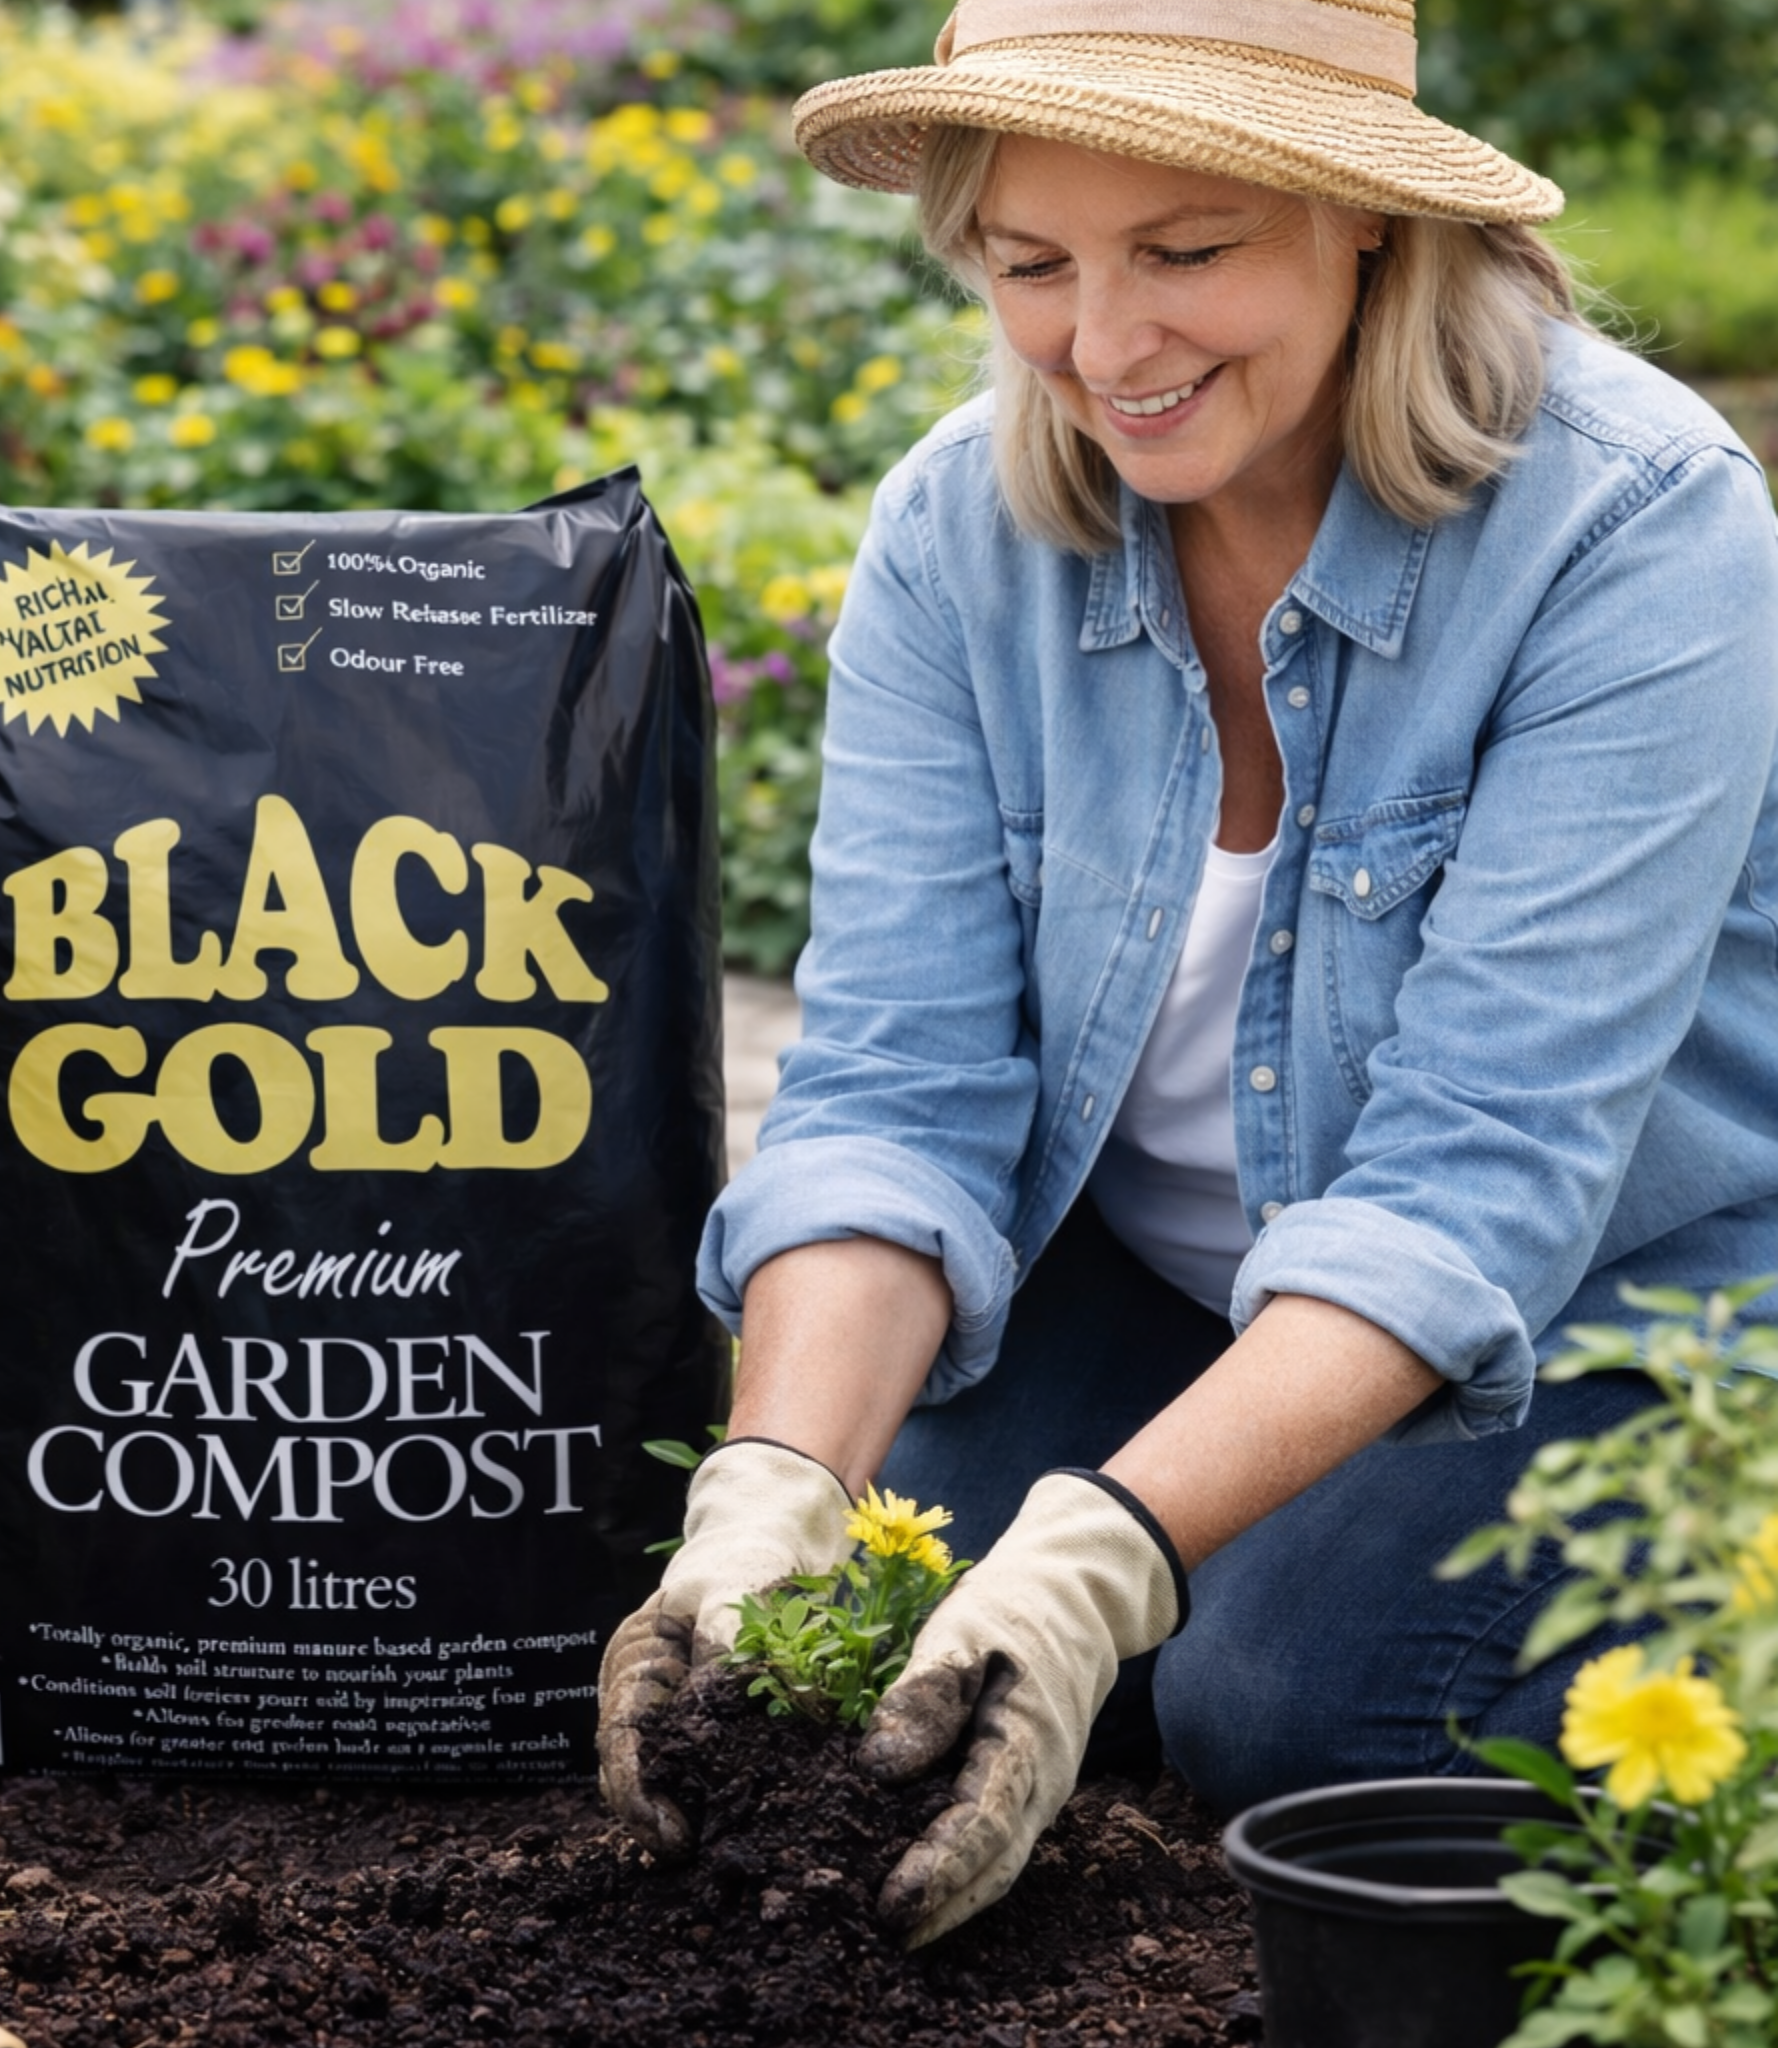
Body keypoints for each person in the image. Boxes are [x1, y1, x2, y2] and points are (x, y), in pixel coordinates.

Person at [600, 0, 1778, 1950]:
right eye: (1030, 265)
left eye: (1186, 249)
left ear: (1370, 220)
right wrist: (768, 1480)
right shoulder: (954, 535)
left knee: (1293, 1701)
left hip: (1605, 1307)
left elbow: (1474, 1177)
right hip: (1169, 1281)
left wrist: (1106, 1553)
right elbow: (895, 1093)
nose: (1104, 349)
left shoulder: (1632, 530)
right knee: (846, 1619)